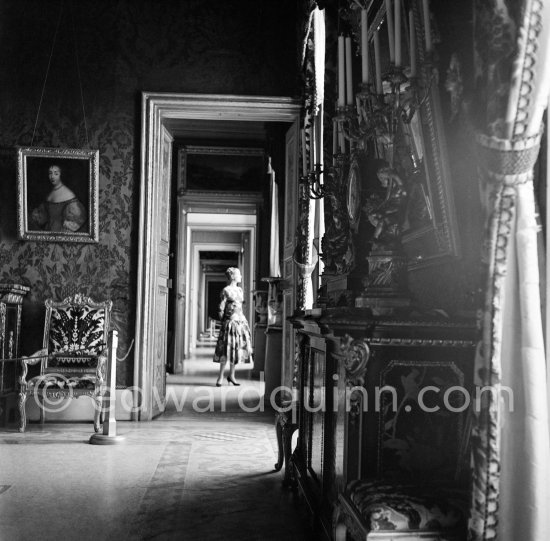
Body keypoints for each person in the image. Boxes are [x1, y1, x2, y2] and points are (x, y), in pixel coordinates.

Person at [213, 267, 253, 386]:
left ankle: (232, 375)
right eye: (239, 274)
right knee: (226, 349)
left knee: (236, 349)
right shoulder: (226, 290)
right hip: (229, 323)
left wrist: (242, 319)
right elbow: (221, 308)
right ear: (233, 276)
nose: (241, 276)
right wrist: (225, 322)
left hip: (240, 322)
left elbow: (240, 306)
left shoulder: (240, 290)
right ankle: (220, 377)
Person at [30, 164, 87, 233]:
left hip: (62, 231)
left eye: (56, 174)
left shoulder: (68, 194)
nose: (52, 176)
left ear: (61, 175)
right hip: (48, 231)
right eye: (50, 173)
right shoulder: (50, 193)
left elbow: (77, 220)